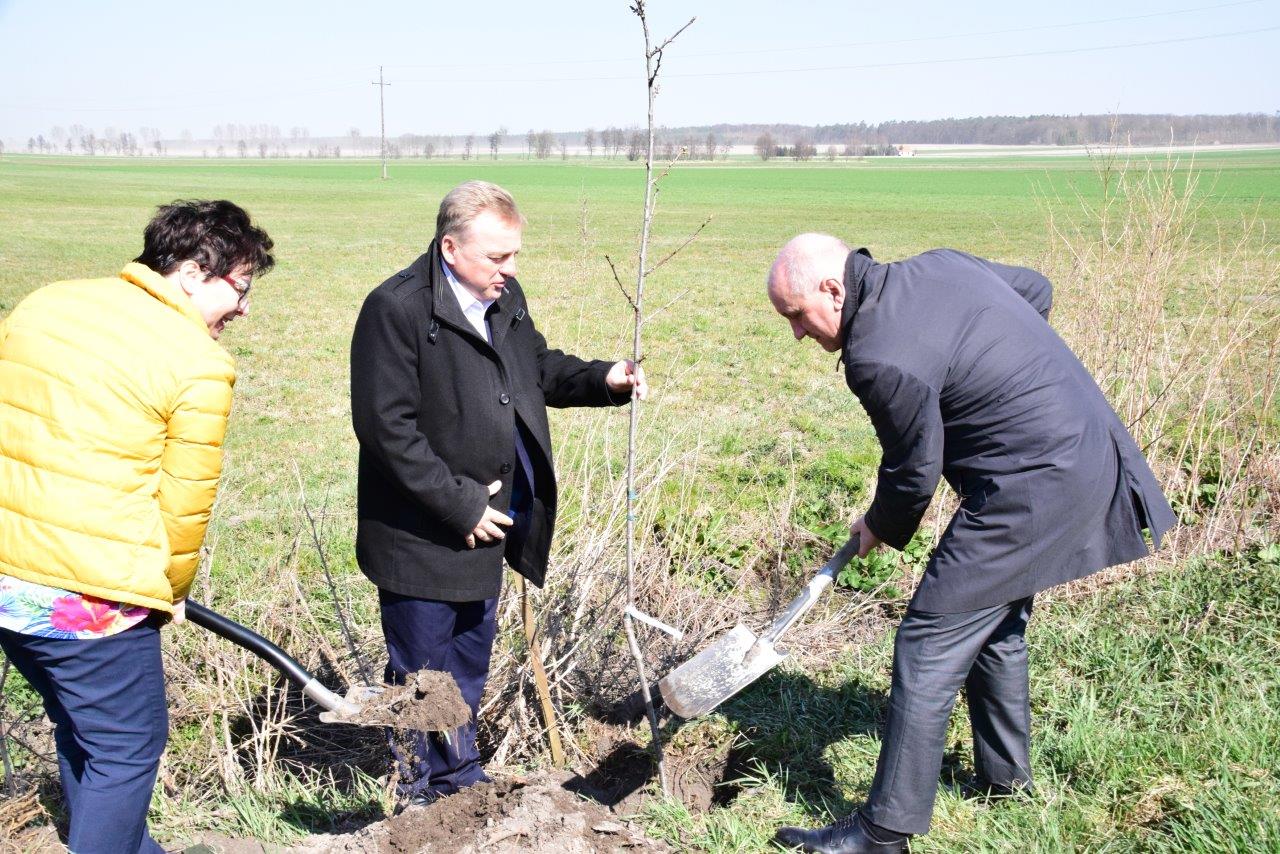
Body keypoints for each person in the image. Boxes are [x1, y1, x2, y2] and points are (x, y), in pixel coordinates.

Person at [765, 235, 1176, 853]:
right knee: (994, 621)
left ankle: (883, 832)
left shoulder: (876, 355)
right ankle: (1005, 783)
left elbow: (913, 473)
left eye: (796, 315)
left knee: (929, 637)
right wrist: (1003, 367)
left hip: (1034, 485)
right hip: (1086, 450)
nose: (797, 333)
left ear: (832, 289)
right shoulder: (940, 266)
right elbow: (1036, 289)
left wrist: (877, 524)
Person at [350, 180, 645, 807]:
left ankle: (460, 784)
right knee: (419, 676)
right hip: (420, 533)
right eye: (497, 257)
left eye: (514, 256)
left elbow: (533, 369)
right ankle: (415, 796)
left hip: (490, 525)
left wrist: (605, 379)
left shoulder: (502, 298)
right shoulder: (397, 310)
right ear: (450, 247)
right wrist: (459, 504)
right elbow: (386, 429)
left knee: (466, 666)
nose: (509, 270)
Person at [0, 200, 274, 853]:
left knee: (84, 729)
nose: (243, 309)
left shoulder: (46, 303)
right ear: (190, 272)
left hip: (7, 579)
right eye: (239, 289)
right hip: (87, 599)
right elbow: (184, 507)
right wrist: (170, 590)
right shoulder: (199, 363)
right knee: (128, 746)